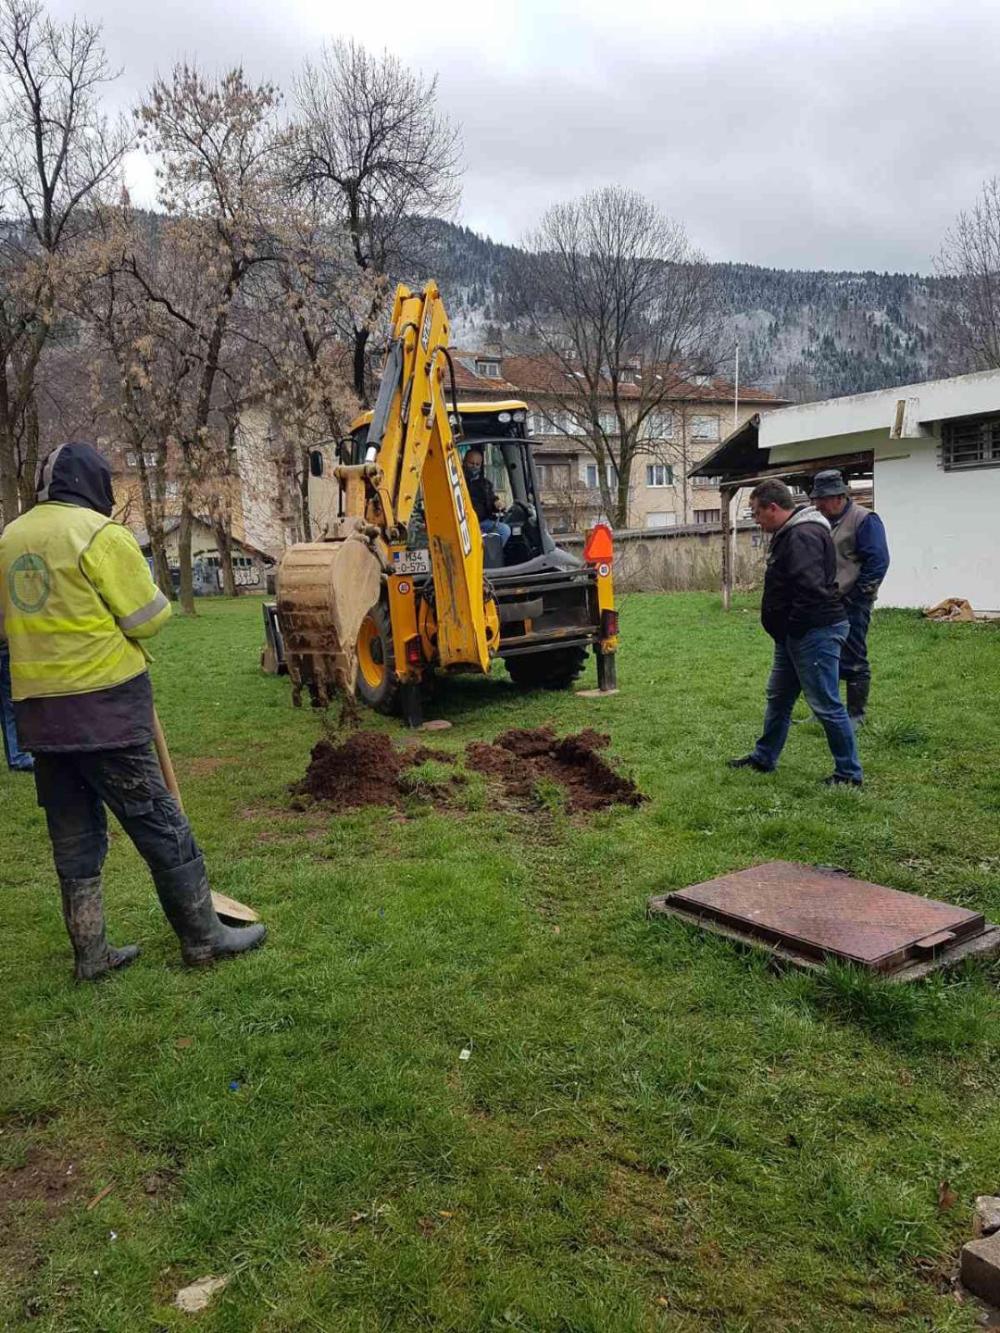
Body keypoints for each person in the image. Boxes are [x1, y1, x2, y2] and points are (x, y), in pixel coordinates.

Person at [0, 442, 266, 981]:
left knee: (73, 835)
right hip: (104, 711)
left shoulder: (10, 538)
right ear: (94, 485)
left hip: (40, 716)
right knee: (160, 822)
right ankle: (203, 938)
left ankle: (91, 956)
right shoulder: (100, 535)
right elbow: (146, 617)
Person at [728, 478, 863, 786]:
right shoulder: (793, 532)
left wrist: (794, 628)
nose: (757, 521)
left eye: (757, 513)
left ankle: (849, 774)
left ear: (773, 508)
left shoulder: (802, 535)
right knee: (778, 698)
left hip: (814, 632)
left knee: (826, 704)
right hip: (795, 635)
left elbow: (811, 591)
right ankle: (764, 758)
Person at [809, 470, 889, 725]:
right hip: (826, 601)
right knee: (824, 657)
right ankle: (826, 711)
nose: (817, 504)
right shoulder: (822, 522)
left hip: (853, 602)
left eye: (822, 499)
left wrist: (859, 595)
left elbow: (878, 562)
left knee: (853, 656)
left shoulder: (864, 519)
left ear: (839, 497)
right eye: (816, 499)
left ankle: (856, 715)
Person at [463, 446, 511, 548]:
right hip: (464, 525)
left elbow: (492, 500)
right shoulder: (458, 481)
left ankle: (489, 557)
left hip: (483, 523)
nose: (474, 467)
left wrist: (497, 504)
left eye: (477, 464)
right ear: (464, 462)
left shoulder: (485, 484)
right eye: (471, 463)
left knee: (504, 530)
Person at [1, 639, 33, 771]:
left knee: (11, 707)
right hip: (7, 649)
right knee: (11, 708)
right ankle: (17, 757)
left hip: (7, 650)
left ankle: (17, 757)